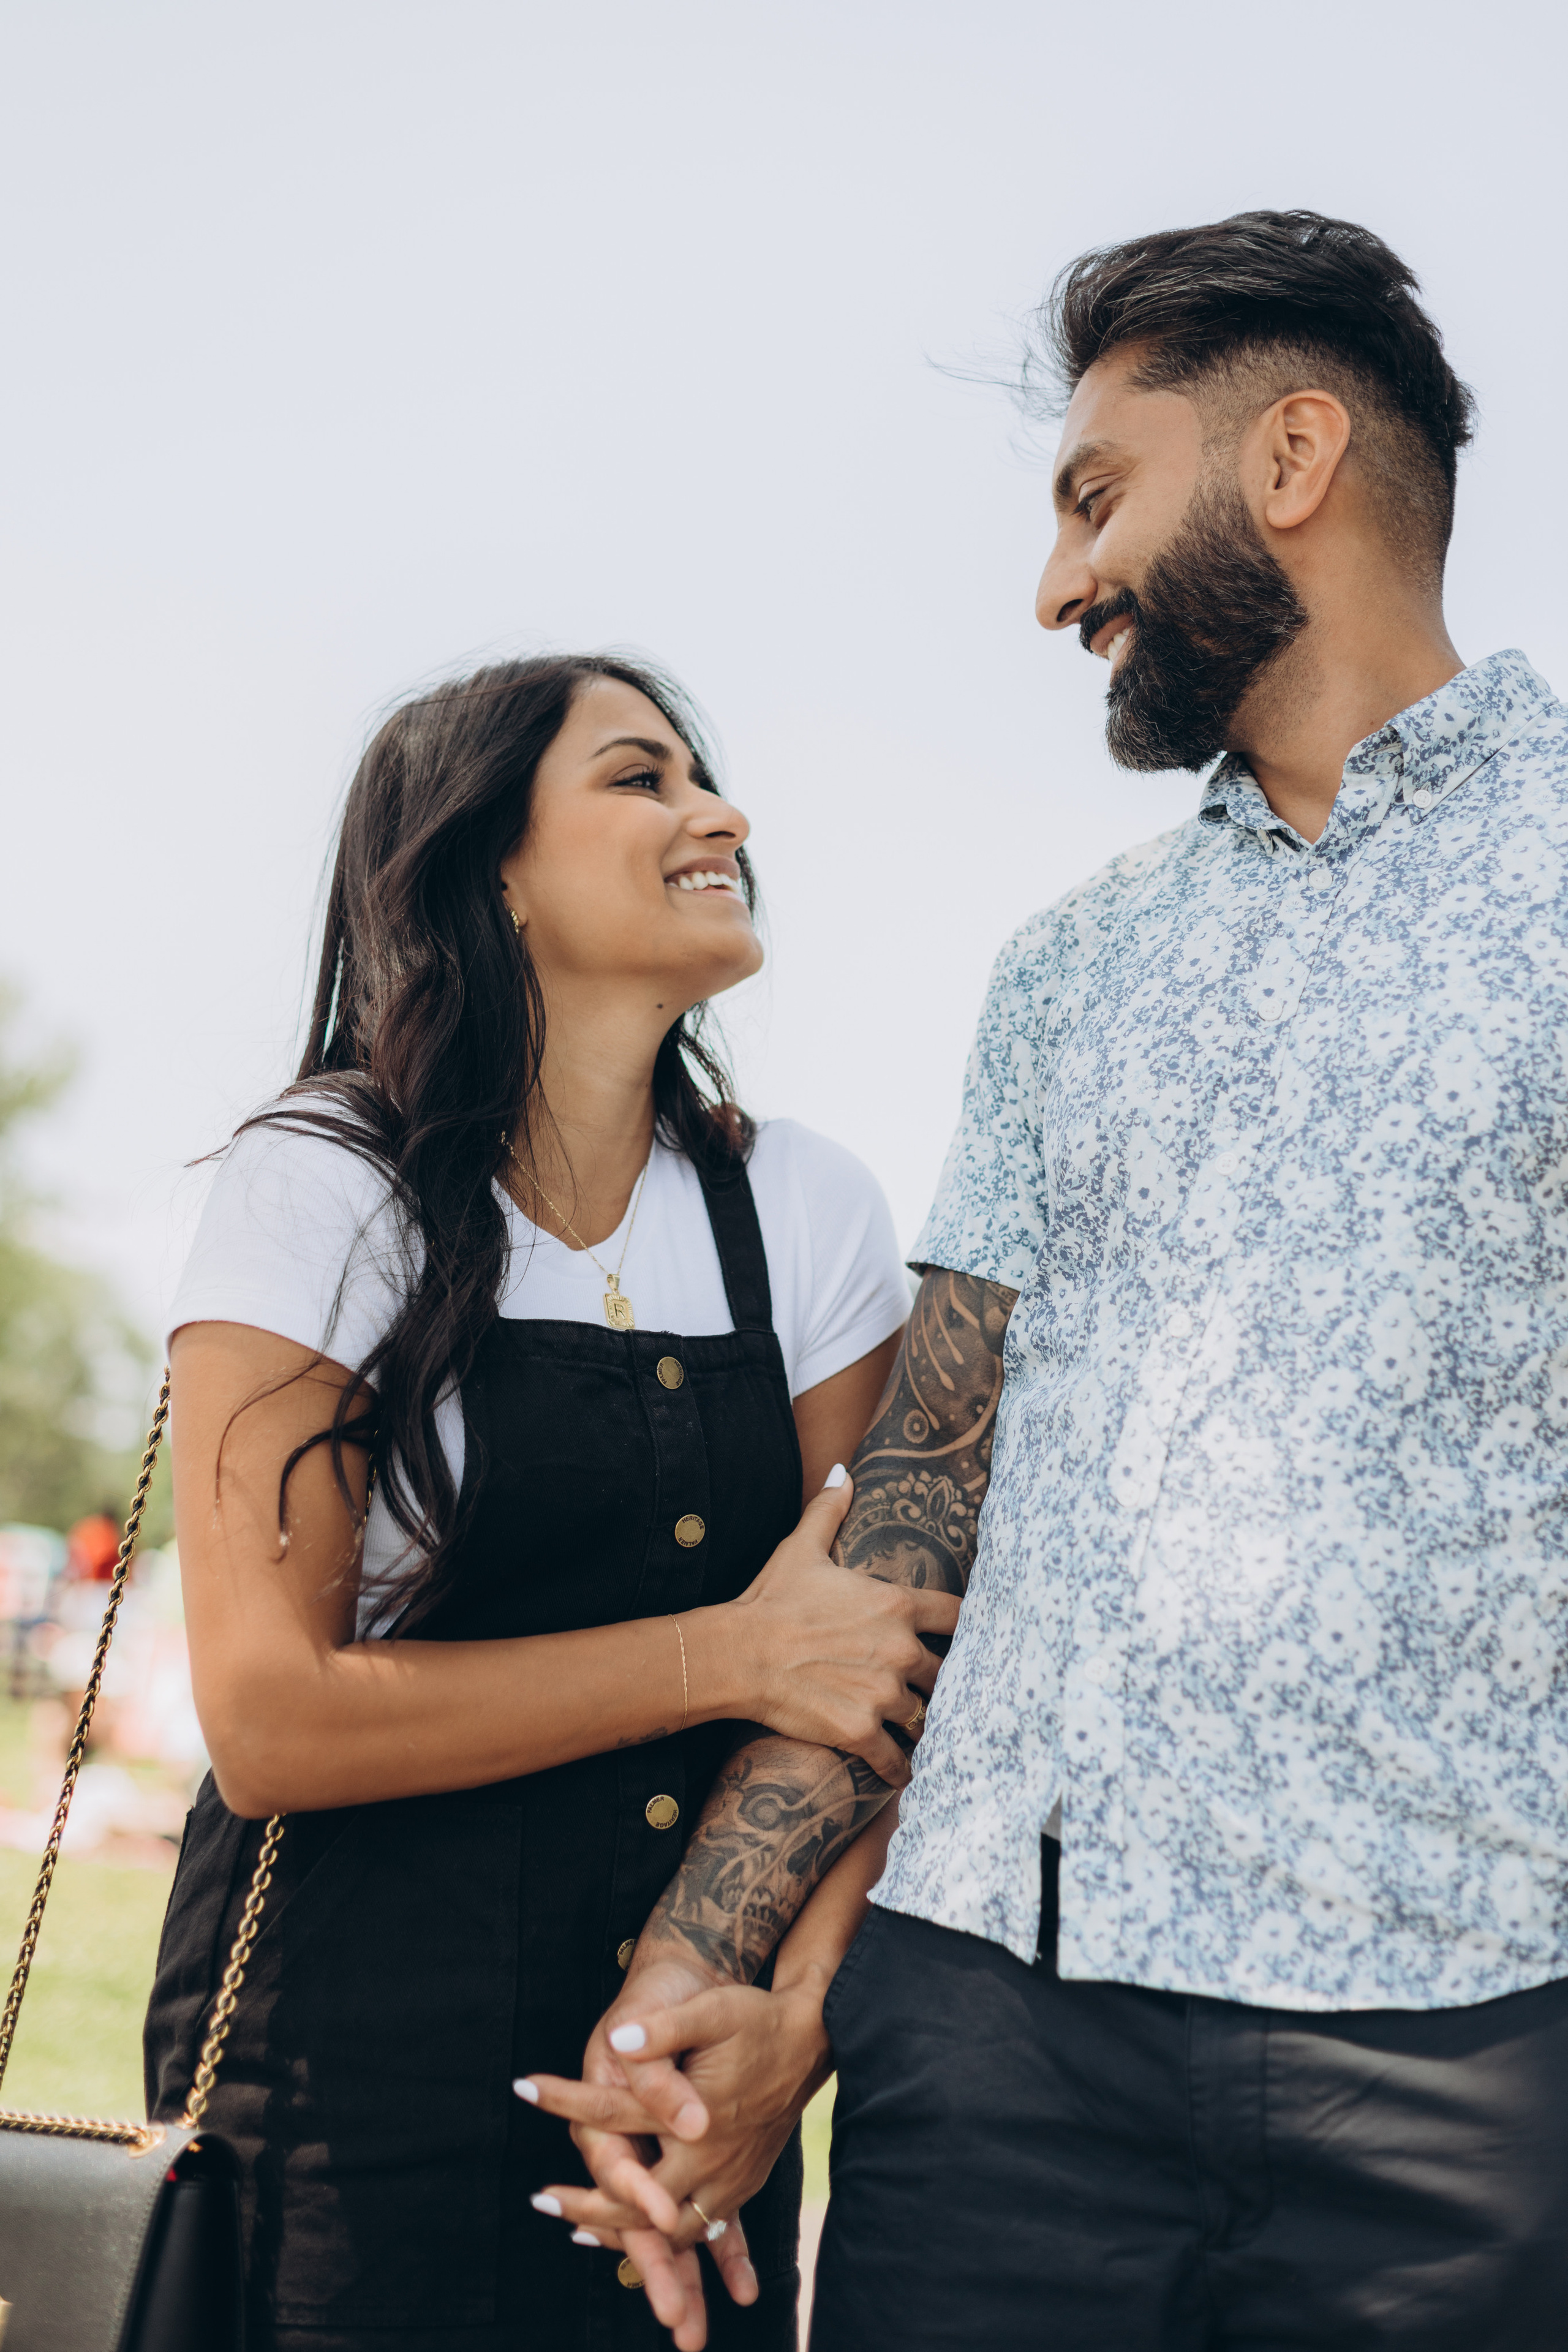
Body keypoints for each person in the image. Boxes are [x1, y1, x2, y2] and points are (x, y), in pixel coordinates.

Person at [533, 214, 1568, 2350]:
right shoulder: (1072, 974)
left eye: (1099, 497)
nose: (1055, 585)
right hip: (991, 2050)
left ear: (1294, 455)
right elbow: (929, 1506)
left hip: (1473, 2060)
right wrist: (710, 1957)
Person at [141, 651, 960, 2352]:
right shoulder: (324, 1183)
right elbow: (272, 1721)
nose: (717, 813)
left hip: (687, 2093)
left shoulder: (796, 1209)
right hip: (343, 2102)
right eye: (639, 778)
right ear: (488, 864)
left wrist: (787, 2024)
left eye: (706, 778)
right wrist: (725, 1655)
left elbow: (885, 1678)